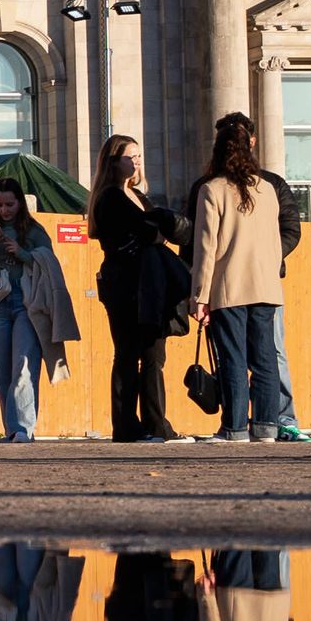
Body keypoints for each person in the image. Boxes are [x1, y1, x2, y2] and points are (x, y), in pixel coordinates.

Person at [180, 111, 308, 443]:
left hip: (229, 287)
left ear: (217, 150)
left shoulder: (212, 189)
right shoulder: (268, 188)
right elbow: (278, 238)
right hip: (266, 286)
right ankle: (266, 427)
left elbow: (206, 249)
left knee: (234, 358)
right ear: (249, 147)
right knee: (265, 359)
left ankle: (235, 427)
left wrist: (200, 296)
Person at [88, 134, 188, 444]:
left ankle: (156, 425)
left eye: (140, 156)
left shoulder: (140, 196)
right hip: (124, 285)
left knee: (154, 355)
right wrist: (156, 227)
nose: (137, 162)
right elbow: (149, 231)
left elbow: (158, 231)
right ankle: (128, 427)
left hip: (149, 284)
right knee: (128, 354)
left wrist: (156, 228)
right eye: (131, 157)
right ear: (113, 162)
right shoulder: (109, 197)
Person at [0, 184, 81, 443]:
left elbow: (49, 264)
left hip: (27, 302)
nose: (5, 210)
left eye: (10, 204)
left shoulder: (34, 231)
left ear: (20, 203)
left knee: (24, 363)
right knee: (3, 371)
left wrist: (20, 252)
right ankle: (11, 429)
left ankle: (23, 428)